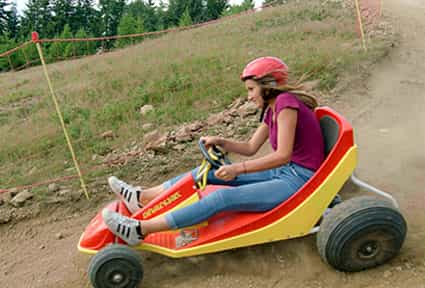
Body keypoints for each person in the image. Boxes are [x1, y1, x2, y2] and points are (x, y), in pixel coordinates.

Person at [102, 56, 325, 245]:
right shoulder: (272, 109)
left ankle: (140, 230)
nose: (249, 96)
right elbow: (250, 147)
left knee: (222, 198)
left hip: (300, 181)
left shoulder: (286, 103)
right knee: (204, 173)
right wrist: (222, 141)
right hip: (285, 172)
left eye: (251, 89)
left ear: (267, 85)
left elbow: (282, 155)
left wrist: (238, 169)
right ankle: (141, 197)